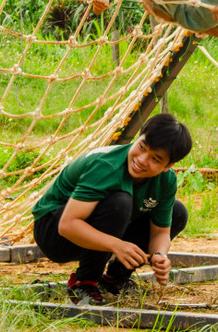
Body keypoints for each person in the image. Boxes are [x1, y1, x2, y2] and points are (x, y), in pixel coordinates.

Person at [31, 114, 193, 305]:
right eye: (142, 147)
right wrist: (116, 245)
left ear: (168, 166)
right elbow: (67, 225)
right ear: (138, 138)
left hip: (96, 227)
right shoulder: (106, 166)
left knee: (177, 211)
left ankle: (115, 279)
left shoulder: (166, 180)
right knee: (120, 202)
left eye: (155, 159)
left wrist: (160, 255)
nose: (142, 160)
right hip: (54, 231)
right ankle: (84, 283)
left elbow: (160, 232)